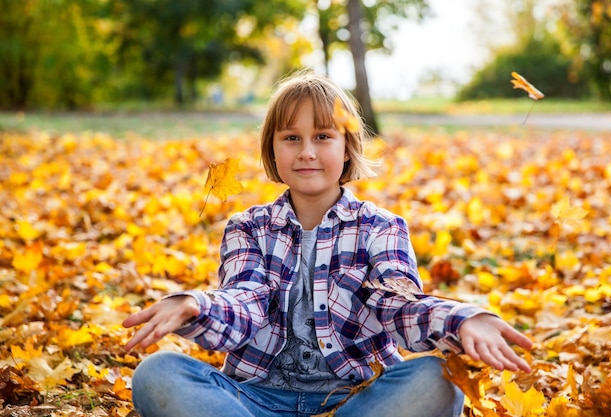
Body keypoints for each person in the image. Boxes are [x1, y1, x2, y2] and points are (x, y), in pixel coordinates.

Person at [123, 71, 533, 417]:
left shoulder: (381, 227)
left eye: (322, 136)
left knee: (440, 379)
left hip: (354, 400)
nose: (306, 152)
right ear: (272, 148)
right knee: (157, 374)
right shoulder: (247, 228)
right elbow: (244, 301)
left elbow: (399, 304)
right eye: (291, 138)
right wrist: (195, 304)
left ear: (347, 146)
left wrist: (461, 319)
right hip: (253, 401)